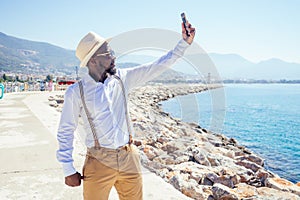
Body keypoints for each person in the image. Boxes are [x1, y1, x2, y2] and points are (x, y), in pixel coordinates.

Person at [56, 21, 195, 200]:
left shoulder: (122, 78)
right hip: (98, 161)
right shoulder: (76, 92)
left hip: (128, 157)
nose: (114, 57)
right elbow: (66, 130)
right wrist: (68, 168)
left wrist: (184, 43)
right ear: (93, 60)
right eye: (108, 53)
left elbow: (157, 66)